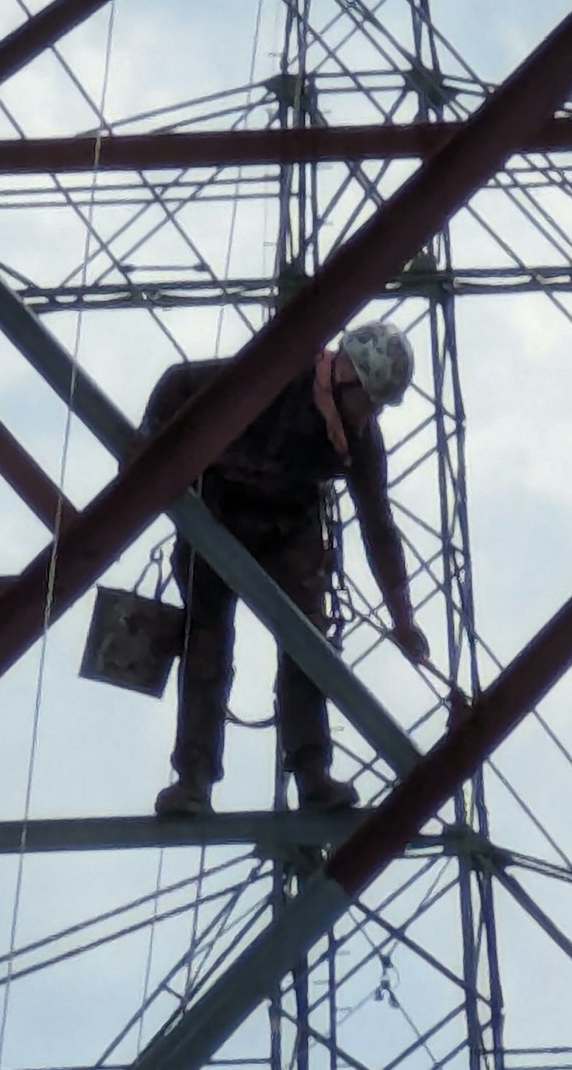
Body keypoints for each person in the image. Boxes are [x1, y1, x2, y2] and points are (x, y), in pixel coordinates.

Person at [140, 321, 431, 818]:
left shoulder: (358, 439)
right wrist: (149, 455)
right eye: (370, 398)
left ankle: (313, 775)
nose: (373, 412)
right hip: (217, 511)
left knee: (307, 647)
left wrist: (403, 618)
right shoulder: (273, 379)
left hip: (287, 530)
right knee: (205, 643)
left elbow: (378, 527)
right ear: (342, 371)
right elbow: (178, 383)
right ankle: (193, 780)